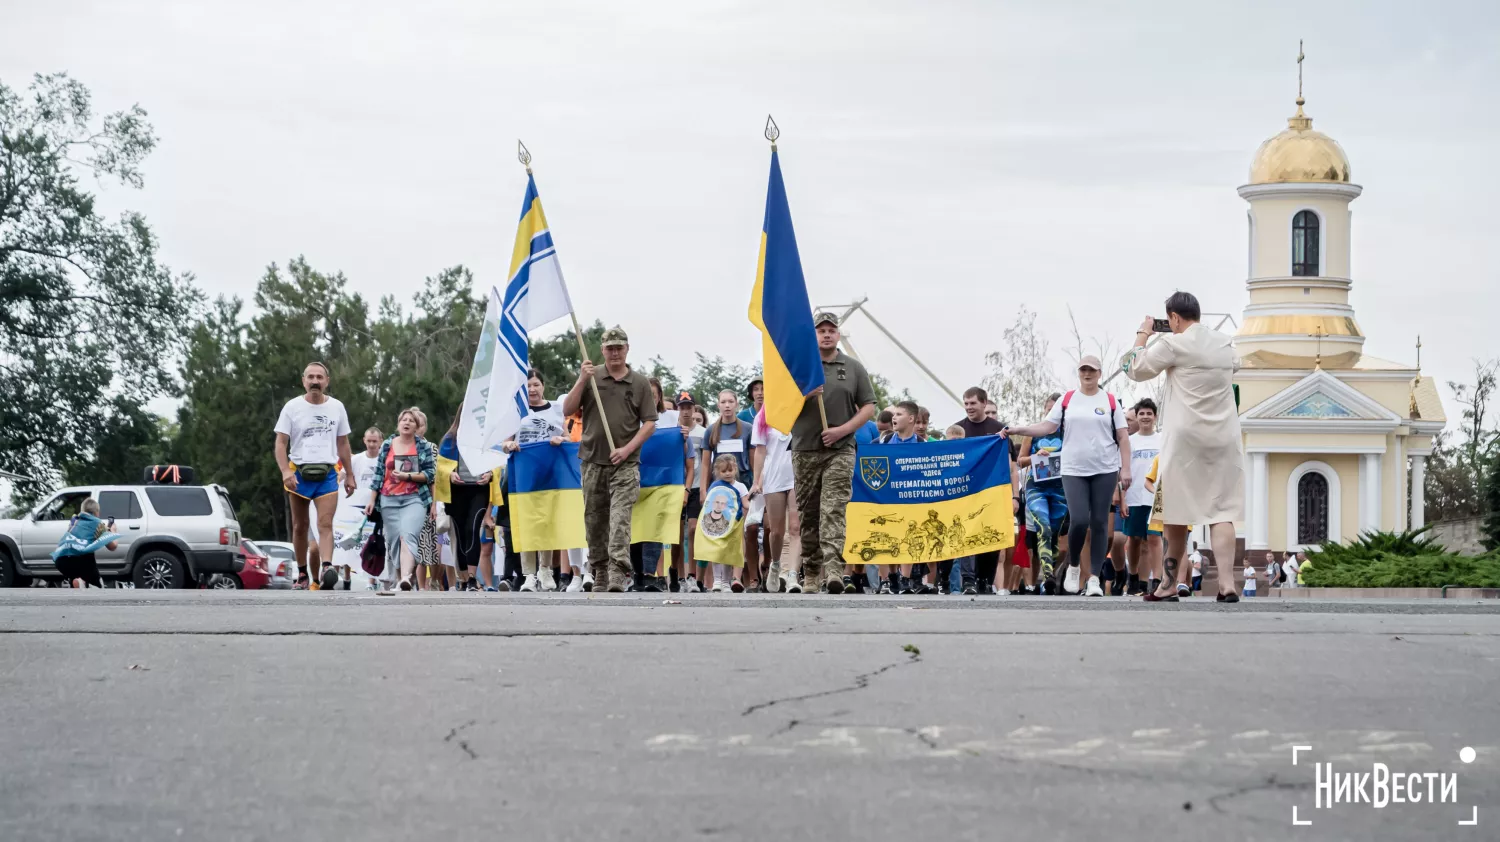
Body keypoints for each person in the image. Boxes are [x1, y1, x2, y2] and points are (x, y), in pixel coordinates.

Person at [1122, 292, 1246, 603]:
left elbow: (1135, 369)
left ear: (1174, 318)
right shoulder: (1224, 344)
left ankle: (1166, 585)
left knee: (1174, 513)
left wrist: (1143, 334)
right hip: (1223, 440)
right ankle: (1228, 586)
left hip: (1184, 441)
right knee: (1223, 511)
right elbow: (1237, 365)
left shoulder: (1172, 344)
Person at [1005, 357, 1129, 597]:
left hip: (1105, 468)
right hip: (1072, 469)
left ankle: (1093, 577)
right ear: (1079, 373)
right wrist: (1019, 429)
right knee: (1080, 520)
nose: (1087, 373)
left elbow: (1123, 437)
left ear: (1099, 373)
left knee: (1100, 523)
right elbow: (1047, 427)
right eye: (1083, 369)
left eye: (1092, 370)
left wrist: (1126, 469)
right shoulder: (1068, 399)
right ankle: (1073, 566)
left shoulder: (1110, 401)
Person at [563, 326, 658, 593]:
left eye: (619, 347)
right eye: (610, 348)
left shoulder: (639, 382)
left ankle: (618, 570)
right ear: (602, 350)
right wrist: (582, 379)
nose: (615, 352)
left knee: (620, 518)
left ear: (627, 349)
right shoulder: (592, 377)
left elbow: (650, 422)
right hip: (592, 460)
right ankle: (600, 570)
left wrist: (627, 449)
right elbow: (568, 410)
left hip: (625, 464)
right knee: (594, 520)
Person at [792, 312, 877, 594]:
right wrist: (804, 394)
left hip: (840, 449)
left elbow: (868, 407)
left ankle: (834, 571)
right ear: (813, 335)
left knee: (834, 509)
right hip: (805, 448)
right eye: (821, 330)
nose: (826, 334)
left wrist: (843, 430)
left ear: (838, 334)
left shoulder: (853, 368)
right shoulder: (799, 366)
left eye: (831, 330)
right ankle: (812, 572)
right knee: (809, 512)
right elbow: (779, 407)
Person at [273, 361, 357, 591]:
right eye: (310, 377)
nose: (315, 381)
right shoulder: (292, 407)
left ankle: (327, 567)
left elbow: (343, 442)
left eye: (319, 377)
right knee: (300, 526)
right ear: (303, 381)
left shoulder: (337, 407)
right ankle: (302, 574)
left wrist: (350, 474)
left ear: (327, 381)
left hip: (328, 473)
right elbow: (281, 443)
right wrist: (285, 472)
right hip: (298, 473)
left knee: (325, 523)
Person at [502, 370, 573, 592]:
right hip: (524, 473)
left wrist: (561, 439)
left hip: (550, 472)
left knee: (547, 520)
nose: (532, 389)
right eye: (528, 386)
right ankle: (529, 575)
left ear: (543, 386)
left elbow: (568, 438)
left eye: (535, 384)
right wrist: (509, 445)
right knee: (527, 522)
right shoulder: (516, 412)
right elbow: (505, 441)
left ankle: (545, 569)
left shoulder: (556, 409)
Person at [364, 407, 437, 591]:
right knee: (394, 540)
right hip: (389, 500)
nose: (407, 422)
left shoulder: (424, 447)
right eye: (403, 419)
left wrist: (409, 476)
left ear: (416, 426)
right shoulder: (387, 445)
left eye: (411, 420)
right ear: (398, 424)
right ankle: (403, 575)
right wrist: (372, 500)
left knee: (408, 535)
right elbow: (379, 475)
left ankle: (405, 577)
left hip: (415, 498)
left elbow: (430, 474)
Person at [698, 390, 758, 591]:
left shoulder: (747, 429)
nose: (727, 405)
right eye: (723, 401)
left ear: (736, 404)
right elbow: (706, 464)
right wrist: (704, 491)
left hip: (742, 485)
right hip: (719, 492)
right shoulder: (711, 430)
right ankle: (720, 580)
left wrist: (754, 486)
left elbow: (753, 459)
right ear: (718, 405)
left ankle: (743, 578)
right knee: (720, 531)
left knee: (744, 533)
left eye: (731, 401)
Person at [955, 386, 1011, 595]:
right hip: (965, 492)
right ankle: (968, 580)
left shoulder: (1000, 430)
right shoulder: (957, 429)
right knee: (967, 535)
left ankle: (985, 580)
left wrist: (1012, 496)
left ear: (984, 403)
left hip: (992, 491)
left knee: (991, 537)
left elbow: (1009, 464)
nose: (969, 407)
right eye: (966, 403)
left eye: (973, 403)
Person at [436, 404, 497, 592]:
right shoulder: (450, 439)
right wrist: (450, 474)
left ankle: (471, 576)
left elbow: (497, 463)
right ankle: (462, 576)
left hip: (479, 490)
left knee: (473, 529)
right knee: (460, 534)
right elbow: (441, 467)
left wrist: (491, 475)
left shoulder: (487, 438)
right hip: (457, 492)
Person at [1018, 393, 1066, 593]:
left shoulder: (1069, 433)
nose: (1052, 413)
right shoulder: (1034, 432)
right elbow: (1020, 460)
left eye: (1057, 410)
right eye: (1049, 410)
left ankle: (1050, 573)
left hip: (1061, 489)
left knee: (1053, 534)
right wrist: (1035, 456)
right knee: (1043, 527)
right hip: (1036, 486)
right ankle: (1047, 576)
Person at [876, 400, 925, 594]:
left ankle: (905, 578)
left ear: (911, 418)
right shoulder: (884, 440)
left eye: (899, 414)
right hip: (886, 496)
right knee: (884, 537)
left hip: (911, 497)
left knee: (908, 537)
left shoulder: (921, 444)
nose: (893, 418)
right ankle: (887, 578)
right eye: (893, 414)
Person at [751, 405, 797, 594]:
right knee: (776, 531)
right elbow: (760, 451)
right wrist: (756, 481)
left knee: (795, 527)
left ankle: (792, 573)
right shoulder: (763, 416)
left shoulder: (799, 409)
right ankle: (776, 566)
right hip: (773, 478)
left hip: (798, 476)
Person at [1121, 399, 1163, 596]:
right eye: (1142, 414)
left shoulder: (1162, 440)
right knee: (1135, 539)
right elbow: (1121, 470)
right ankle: (1134, 578)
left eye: (1149, 413)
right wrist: (1121, 497)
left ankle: (1156, 581)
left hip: (1156, 498)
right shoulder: (1129, 441)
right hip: (1134, 496)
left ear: (1155, 417)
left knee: (1154, 539)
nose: (1145, 417)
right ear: (1136, 417)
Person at [671, 391, 704, 593]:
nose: (685, 411)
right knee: (676, 533)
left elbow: (706, 462)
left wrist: (705, 488)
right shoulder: (670, 431)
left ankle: (692, 576)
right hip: (674, 485)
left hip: (696, 486)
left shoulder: (702, 432)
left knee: (693, 530)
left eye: (688, 407)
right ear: (677, 409)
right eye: (682, 407)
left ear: (694, 409)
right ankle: (678, 574)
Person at [51, 498, 119, 588]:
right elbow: (112, 546)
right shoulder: (98, 523)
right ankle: (90, 584)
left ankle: (79, 582)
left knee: (76, 577)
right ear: (96, 512)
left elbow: (68, 533)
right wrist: (113, 531)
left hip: (60, 559)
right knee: (98, 586)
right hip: (81, 560)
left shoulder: (74, 520)